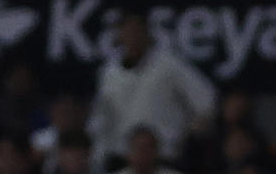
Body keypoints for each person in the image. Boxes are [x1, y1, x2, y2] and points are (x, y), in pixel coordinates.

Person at [89, 11, 217, 170]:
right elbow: (101, 120)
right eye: (127, 31)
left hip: (165, 158)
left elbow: (206, 100)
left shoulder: (169, 65)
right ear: (119, 35)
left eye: (137, 31)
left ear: (147, 34)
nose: (133, 36)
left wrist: (187, 136)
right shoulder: (109, 73)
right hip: (123, 159)